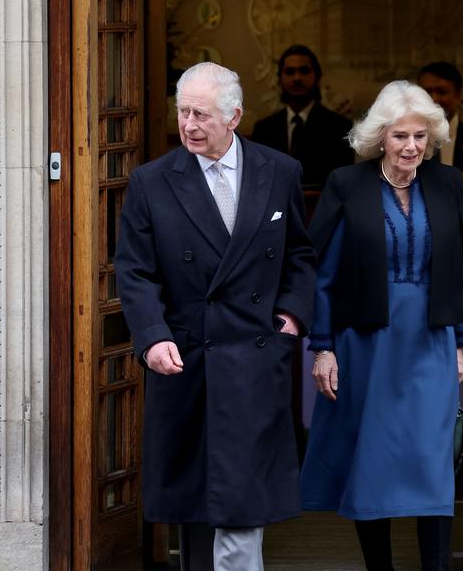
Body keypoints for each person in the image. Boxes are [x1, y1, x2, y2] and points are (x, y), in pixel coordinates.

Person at [115, 62, 316, 571]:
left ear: (235, 117)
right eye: (183, 112)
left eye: (201, 114)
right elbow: (135, 272)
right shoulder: (152, 181)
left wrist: (291, 316)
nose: (188, 125)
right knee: (197, 500)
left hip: (254, 358)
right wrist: (152, 337)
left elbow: (299, 255)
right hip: (186, 358)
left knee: (243, 499)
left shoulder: (280, 172)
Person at [300, 81, 463, 571]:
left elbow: (459, 266)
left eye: (421, 136)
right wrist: (323, 347)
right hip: (367, 342)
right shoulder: (348, 184)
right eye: (401, 135)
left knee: (433, 464)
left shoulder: (446, 184)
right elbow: (324, 273)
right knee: (374, 463)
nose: (412, 147)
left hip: (430, 341)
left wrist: (460, 343)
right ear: (381, 136)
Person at [251, 44, 354, 190]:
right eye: (290, 72)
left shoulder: (340, 127)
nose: (297, 78)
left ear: (317, 76)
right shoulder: (264, 129)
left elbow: (342, 185)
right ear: (280, 78)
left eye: (304, 71)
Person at [417, 61, 463, 234]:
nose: (434, 98)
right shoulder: (403, 142)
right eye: (427, 92)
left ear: (458, 95)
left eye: (442, 91)